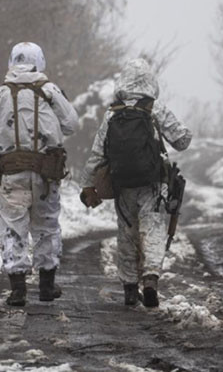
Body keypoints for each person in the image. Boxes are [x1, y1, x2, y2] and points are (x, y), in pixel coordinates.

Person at [80, 58, 192, 307]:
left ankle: (130, 288)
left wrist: (88, 184)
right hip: (152, 182)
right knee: (152, 228)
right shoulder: (155, 109)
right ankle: (150, 279)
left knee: (127, 233)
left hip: (122, 183)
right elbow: (183, 140)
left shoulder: (112, 113)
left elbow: (97, 154)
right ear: (150, 81)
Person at [0, 42, 78, 306]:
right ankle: (47, 286)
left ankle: (18, 289)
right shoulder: (50, 91)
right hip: (46, 174)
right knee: (46, 228)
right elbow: (71, 125)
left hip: (11, 174)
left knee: (13, 229)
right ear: (40, 61)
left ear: (11, 61)